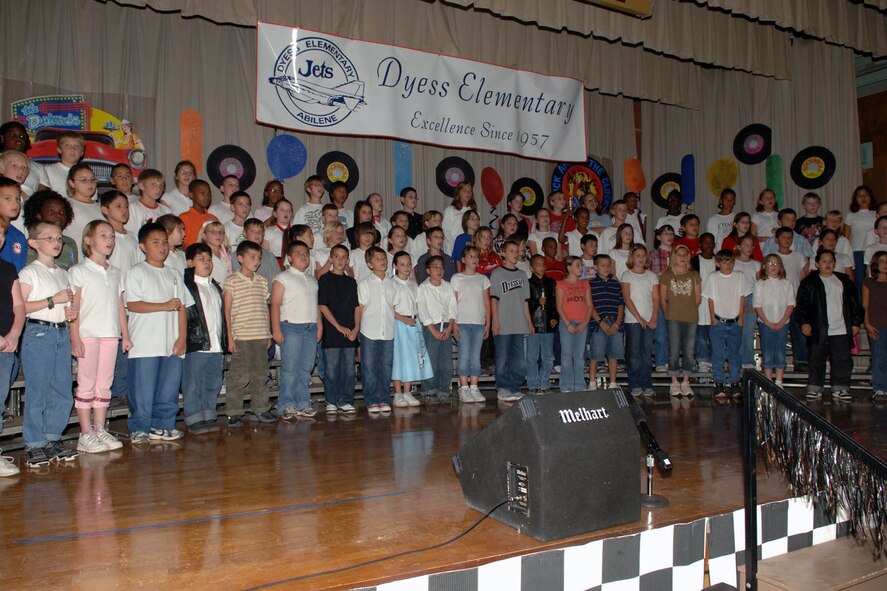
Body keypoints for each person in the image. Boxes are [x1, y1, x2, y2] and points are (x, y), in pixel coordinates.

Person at [20, 222, 79, 466]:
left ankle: (53, 436)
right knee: (38, 391)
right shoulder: (29, 273)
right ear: (33, 243)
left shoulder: (64, 273)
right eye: (49, 238)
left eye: (58, 238)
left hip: (60, 333)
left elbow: (65, 307)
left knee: (63, 390)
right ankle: (34, 442)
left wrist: (69, 312)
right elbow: (21, 307)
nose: (56, 242)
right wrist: (52, 301)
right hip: (39, 333)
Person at [124, 222, 188, 444]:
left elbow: (181, 307)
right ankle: (140, 427)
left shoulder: (173, 273)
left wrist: (182, 337)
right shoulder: (136, 272)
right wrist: (164, 305)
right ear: (142, 246)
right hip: (144, 341)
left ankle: (163, 425)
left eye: (164, 242)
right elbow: (132, 304)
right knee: (142, 389)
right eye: (155, 242)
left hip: (170, 341)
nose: (161, 247)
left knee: (169, 387)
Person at [794, 249, 863, 401]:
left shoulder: (844, 281)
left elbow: (855, 305)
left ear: (835, 264)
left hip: (841, 328)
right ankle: (815, 387)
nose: (827, 264)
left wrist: (856, 323)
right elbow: (802, 305)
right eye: (824, 261)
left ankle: (840, 388)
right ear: (817, 264)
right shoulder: (809, 282)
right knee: (816, 359)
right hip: (819, 328)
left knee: (842, 360)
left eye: (831, 261)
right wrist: (804, 323)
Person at [223, 240, 274, 425]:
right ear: (240, 258)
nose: (257, 261)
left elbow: (265, 308)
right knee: (239, 376)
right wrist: (230, 336)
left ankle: (260, 408)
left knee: (260, 374)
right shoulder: (232, 281)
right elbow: (227, 311)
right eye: (252, 257)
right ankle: (234, 411)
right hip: (242, 336)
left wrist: (268, 333)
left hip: (260, 335)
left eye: (259, 258)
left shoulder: (261, 281)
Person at [271, 240, 320, 419]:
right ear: (289, 257)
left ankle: (303, 403)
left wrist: (318, 325)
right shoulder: (282, 277)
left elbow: (316, 306)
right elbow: (275, 305)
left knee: (305, 368)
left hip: (310, 327)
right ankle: (286, 404)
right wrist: (276, 330)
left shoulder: (312, 280)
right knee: (290, 368)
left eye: (306, 253)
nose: (303, 256)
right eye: (298, 253)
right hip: (291, 327)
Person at [182, 242, 226, 434]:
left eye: (209, 259)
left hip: (215, 343)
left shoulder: (214, 285)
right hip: (196, 342)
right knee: (194, 382)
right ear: (190, 262)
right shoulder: (187, 285)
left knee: (212, 381)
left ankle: (208, 415)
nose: (207, 263)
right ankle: (193, 418)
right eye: (202, 259)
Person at [703, 249, 753, 398]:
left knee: (734, 353)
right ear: (718, 264)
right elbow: (710, 298)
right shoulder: (713, 277)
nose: (728, 265)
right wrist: (712, 317)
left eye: (731, 261)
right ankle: (718, 382)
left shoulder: (739, 276)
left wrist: (741, 316)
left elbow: (742, 297)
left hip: (735, 319)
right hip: (719, 320)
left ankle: (734, 381)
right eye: (725, 262)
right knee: (718, 353)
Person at [318, 244, 359, 414]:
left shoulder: (351, 281)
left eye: (344, 257)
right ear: (331, 259)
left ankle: (346, 400)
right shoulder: (325, 280)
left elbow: (357, 307)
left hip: (350, 332)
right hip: (333, 331)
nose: (340, 260)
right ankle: (332, 400)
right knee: (332, 369)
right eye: (337, 256)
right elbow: (322, 306)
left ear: (348, 260)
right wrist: (338, 326)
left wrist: (355, 328)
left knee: (349, 369)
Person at [490, 240, 533, 402]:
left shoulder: (522, 275)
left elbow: (525, 301)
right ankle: (502, 388)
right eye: (511, 251)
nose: (515, 254)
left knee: (519, 360)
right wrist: (495, 321)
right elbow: (494, 300)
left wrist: (529, 322)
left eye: (517, 251)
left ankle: (514, 387)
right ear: (503, 253)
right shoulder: (497, 273)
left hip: (519, 322)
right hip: (503, 323)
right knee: (502, 358)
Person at [358, 246, 396, 413]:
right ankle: (372, 399)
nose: (383, 261)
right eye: (378, 259)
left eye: (384, 258)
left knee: (386, 367)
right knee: (370, 367)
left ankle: (383, 398)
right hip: (369, 331)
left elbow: (394, 307)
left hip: (388, 331)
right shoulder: (364, 284)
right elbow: (360, 309)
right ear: (370, 264)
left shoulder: (392, 283)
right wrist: (356, 330)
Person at [659, 244, 700, 396]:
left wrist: (687, 309)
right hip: (673, 318)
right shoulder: (667, 275)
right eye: (679, 254)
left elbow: (697, 298)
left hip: (691, 317)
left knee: (689, 350)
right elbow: (663, 298)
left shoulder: (694, 274)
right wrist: (669, 312)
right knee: (674, 350)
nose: (682, 257)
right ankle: (675, 381)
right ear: (674, 257)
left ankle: (686, 381)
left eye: (685, 254)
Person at [451, 245, 490, 403]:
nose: (474, 259)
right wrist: (453, 324)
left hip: (479, 323)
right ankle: (464, 387)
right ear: (463, 259)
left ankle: (474, 387)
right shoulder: (456, 278)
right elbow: (453, 304)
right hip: (463, 322)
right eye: (471, 256)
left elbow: (487, 303)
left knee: (475, 357)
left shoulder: (483, 279)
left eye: (476, 256)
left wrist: (488, 323)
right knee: (464, 355)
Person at [389, 251, 428, 407]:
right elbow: (389, 308)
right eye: (402, 264)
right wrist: (403, 318)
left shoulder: (413, 284)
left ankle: (407, 391)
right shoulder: (392, 283)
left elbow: (418, 305)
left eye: (408, 264)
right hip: (398, 323)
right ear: (395, 266)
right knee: (398, 358)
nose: (406, 267)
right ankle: (397, 393)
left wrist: (418, 318)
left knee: (411, 358)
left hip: (413, 323)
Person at [417, 255, 457, 402]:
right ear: (428, 270)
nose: (439, 270)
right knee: (431, 360)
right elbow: (422, 309)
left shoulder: (447, 286)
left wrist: (450, 327)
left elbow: (453, 307)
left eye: (441, 267)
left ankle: (443, 389)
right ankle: (428, 389)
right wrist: (433, 330)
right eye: (435, 267)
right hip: (430, 327)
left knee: (446, 362)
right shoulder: (423, 287)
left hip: (446, 326)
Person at [0, 224, 23, 476]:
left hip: (6, 344)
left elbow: (19, 305)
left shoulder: (8, 269)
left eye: (2, 233)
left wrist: (14, 333)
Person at [621, 244, 659, 397]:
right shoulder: (627, 275)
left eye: (643, 255)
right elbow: (627, 298)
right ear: (632, 257)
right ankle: (634, 384)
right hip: (633, 320)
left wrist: (654, 317)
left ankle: (647, 384)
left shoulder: (651, 276)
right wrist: (639, 318)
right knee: (634, 353)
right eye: (638, 255)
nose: (641, 258)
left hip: (649, 320)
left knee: (646, 353)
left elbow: (656, 298)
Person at [754, 254, 795, 387]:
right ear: (764, 266)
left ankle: (779, 381)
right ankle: (768, 381)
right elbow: (757, 305)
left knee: (780, 351)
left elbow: (790, 304)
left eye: (776, 264)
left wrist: (782, 321)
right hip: (765, 323)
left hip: (783, 323)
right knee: (767, 350)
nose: (773, 266)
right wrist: (768, 322)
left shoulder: (786, 283)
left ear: (781, 267)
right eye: (770, 263)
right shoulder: (760, 284)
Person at [774, 226, 810, 372]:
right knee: (779, 336)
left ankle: (801, 363)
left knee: (799, 334)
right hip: (779, 303)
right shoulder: (773, 257)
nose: (787, 241)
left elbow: (803, 278)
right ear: (777, 240)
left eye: (789, 238)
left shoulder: (798, 256)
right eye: (783, 237)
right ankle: (779, 364)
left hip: (795, 302)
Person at [556, 256, 591, 392]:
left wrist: (585, 323)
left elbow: (589, 305)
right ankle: (566, 385)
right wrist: (567, 324)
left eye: (581, 265)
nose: (580, 268)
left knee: (579, 356)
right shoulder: (561, 284)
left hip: (582, 322)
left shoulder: (585, 284)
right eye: (577, 265)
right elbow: (559, 306)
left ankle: (580, 385)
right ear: (569, 268)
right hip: (567, 323)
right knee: (566, 355)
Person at [20, 188, 77, 271]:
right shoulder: (31, 244)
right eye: (51, 211)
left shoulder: (69, 242)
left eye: (62, 212)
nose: (58, 216)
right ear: (39, 215)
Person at [734, 235, 762, 369]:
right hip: (736, 298)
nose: (749, 247)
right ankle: (738, 363)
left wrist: (756, 303)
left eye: (751, 245)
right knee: (737, 333)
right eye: (746, 244)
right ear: (738, 247)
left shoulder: (756, 265)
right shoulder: (733, 263)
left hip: (751, 298)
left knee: (748, 333)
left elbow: (759, 285)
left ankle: (748, 363)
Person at [64, 164, 104, 255]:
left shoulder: (101, 207)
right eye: (84, 180)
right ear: (72, 183)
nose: (90, 184)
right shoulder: (66, 204)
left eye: (93, 180)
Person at [691, 233, 717, 373]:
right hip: (699, 304)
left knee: (714, 335)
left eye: (711, 242)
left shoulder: (719, 262)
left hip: (715, 305)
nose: (708, 245)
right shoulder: (694, 262)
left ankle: (713, 361)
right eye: (705, 242)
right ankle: (702, 362)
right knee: (700, 335)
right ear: (700, 245)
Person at [864, 251, 887, 401]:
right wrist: (867, 324)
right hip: (877, 325)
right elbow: (865, 306)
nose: (885, 264)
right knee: (879, 358)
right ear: (876, 264)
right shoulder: (869, 283)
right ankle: (880, 388)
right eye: (883, 261)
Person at [100, 190, 142, 272]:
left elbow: (139, 263)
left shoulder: (133, 236)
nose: (124, 210)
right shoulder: (102, 237)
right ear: (105, 210)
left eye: (126, 207)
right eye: (119, 206)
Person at [126, 168, 171, 234]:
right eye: (153, 185)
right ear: (141, 186)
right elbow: (131, 234)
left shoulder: (166, 210)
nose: (158, 189)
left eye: (161, 185)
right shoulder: (132, 208)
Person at [44, 131, 85, 195]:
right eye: (67, 146)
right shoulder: (48, 170)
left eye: (76, 146)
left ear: (82, 152)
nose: (72, 149)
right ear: (59, 150)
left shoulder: (86, 173)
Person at [181, 179, 218, 248]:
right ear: (191, 195)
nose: (207, 196)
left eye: (208, 193)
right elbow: (182, 245)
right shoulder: (185, 218)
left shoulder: (213, 218)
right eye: (202, 193)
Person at [443, 182, 477, 251]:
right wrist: (456, 245)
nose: (468, 193)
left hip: (471, 249)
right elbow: (445, 230)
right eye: (465, 191)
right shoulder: (450, 210)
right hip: (454, 248)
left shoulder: (475, 211)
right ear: (458, 192)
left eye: (470, 191)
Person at [199, 220, 232, 287]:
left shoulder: (225, 254)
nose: (218, 235)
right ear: (204, 236)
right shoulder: (201, 255)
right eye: (213, 232)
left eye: (221, 232)